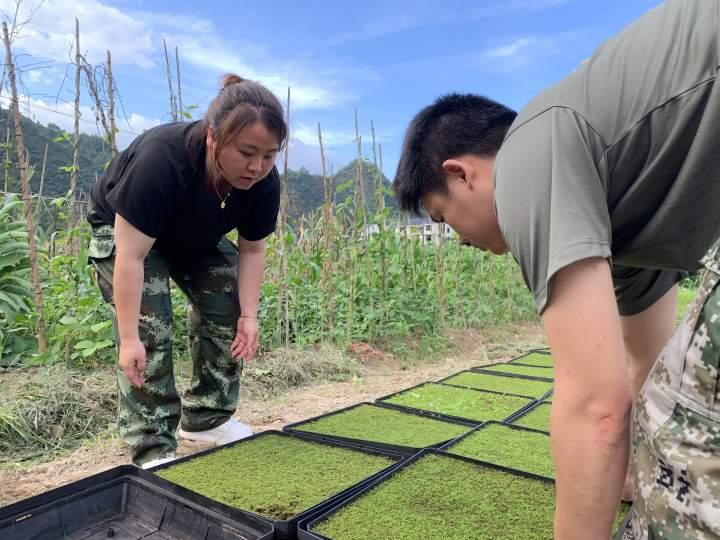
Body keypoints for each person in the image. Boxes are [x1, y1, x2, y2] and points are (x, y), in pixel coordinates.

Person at [393, 1, 720, 538]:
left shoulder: (527, 153)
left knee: (691, 460)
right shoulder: (621, 212)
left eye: (443, 218)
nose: (458, 240)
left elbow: (597, 404)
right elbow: (646, 365)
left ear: (461, 174)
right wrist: (623, 480)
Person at [87, 74, 286, 469]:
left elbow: (252, 248)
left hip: (193, 237)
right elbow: (130, 258)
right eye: (247, 152)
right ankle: (152, 444)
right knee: (150, 328)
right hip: (128, 237)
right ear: (214, 137)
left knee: (230, 306)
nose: (257, 166)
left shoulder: (263, 183)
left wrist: (248, 316)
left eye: (269, 155)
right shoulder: (163, 160)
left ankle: (206, 420)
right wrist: (129, 338)